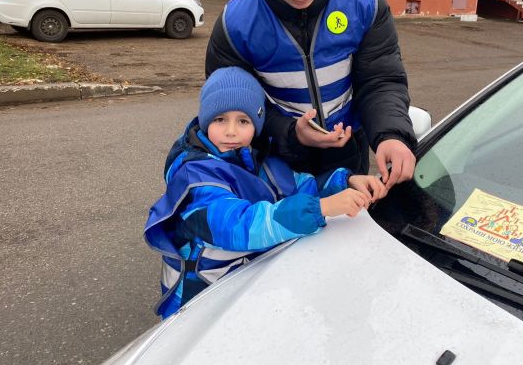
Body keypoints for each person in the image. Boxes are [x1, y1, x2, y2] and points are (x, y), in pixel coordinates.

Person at [206, 0, 416, 190]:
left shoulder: (365, 1)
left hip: (348, 153)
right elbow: (230, 106)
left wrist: (390, 134)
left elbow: (381, 79)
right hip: (278, 159)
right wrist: (291, 132)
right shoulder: (235, 23)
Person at [144, 67, 385, 319]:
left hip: (245, 285)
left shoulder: (257, 156)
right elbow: (240, 225)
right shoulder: (195, 177)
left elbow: (299, 185)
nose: (231, 131)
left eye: (243, 121)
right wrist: (321, 208)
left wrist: (345, 182)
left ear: (257, 124)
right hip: (199, 299)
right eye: (219, 119)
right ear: (205, 121)